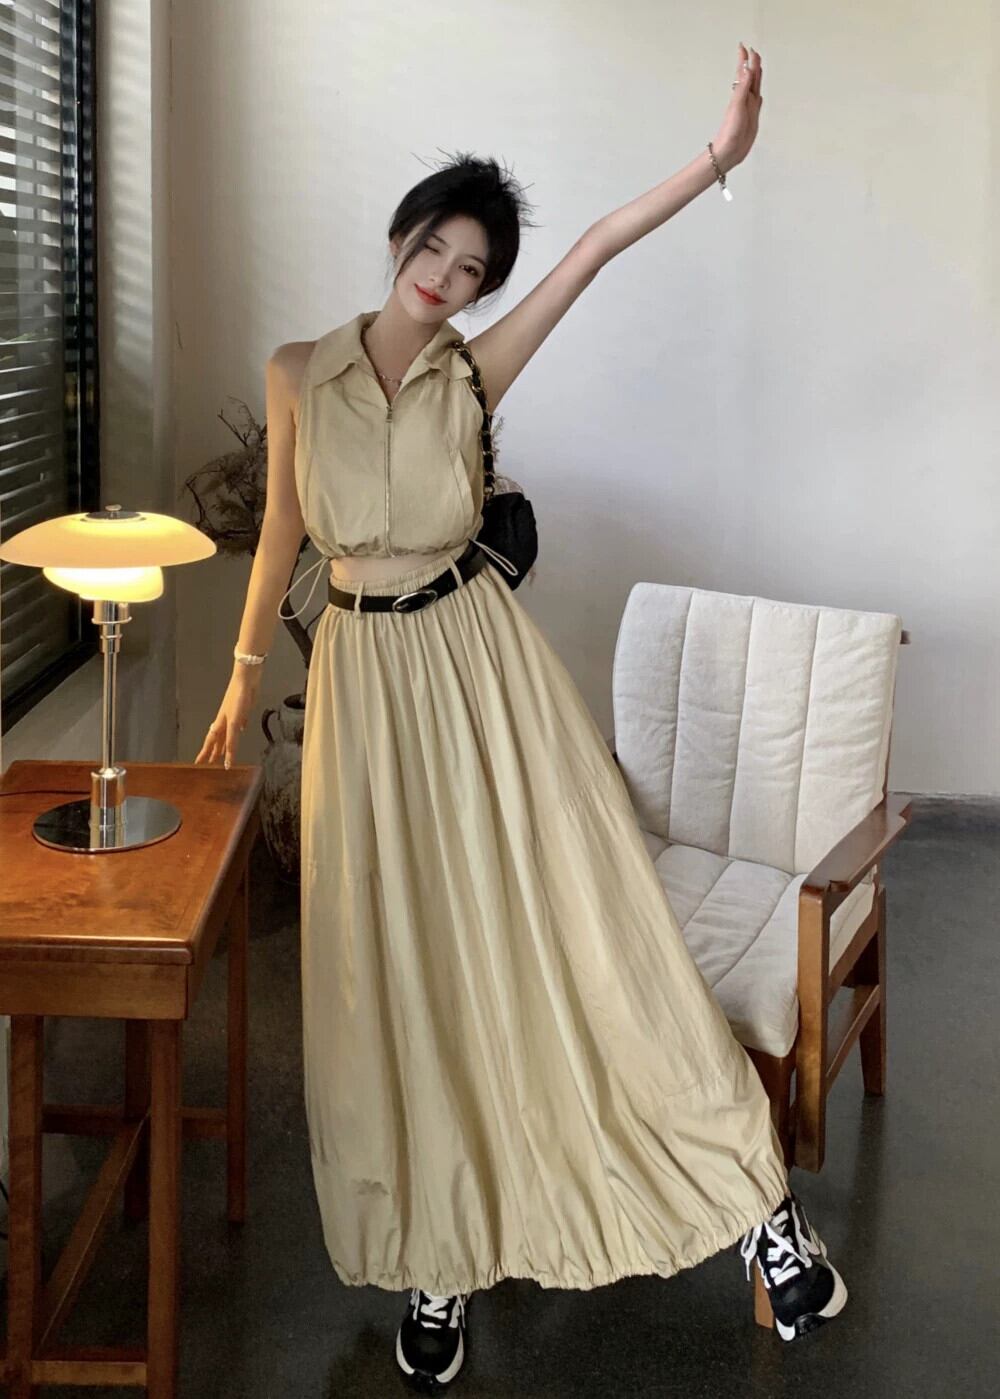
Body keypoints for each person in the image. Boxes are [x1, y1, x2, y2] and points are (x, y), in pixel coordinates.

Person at [196, 43, 847, 1393]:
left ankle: (758, 1211)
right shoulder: (295, 369)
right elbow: (281, 534)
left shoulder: (471, 374)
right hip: (364, 693)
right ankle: (436, 1253)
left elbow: (595, 247)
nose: (445, 279)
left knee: (584, 927)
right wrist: (242, 675)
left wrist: (719, 157)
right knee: (394, 968)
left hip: (481, 672)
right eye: (435, 248)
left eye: (471, 269)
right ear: (401, 237)